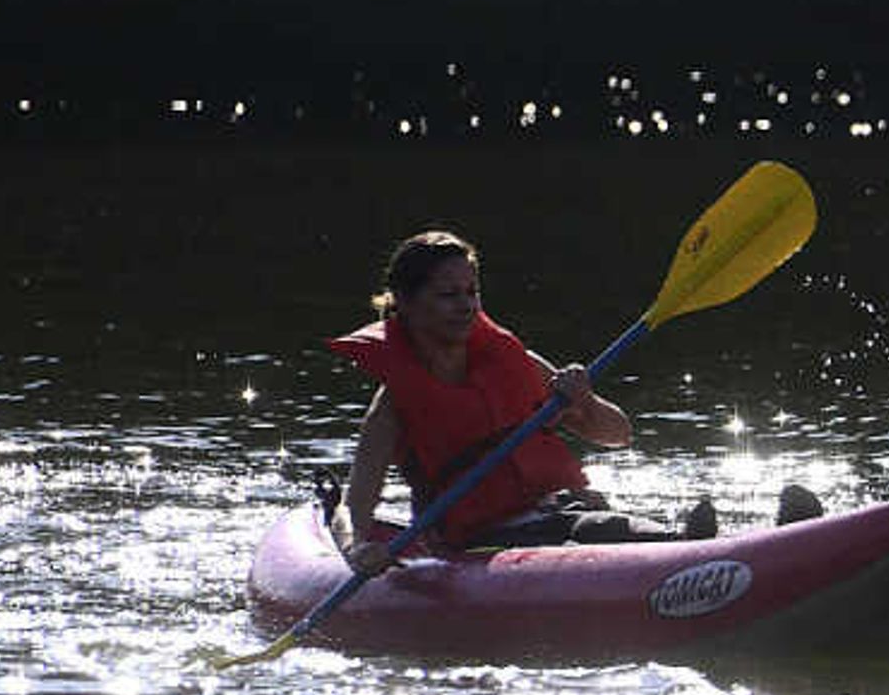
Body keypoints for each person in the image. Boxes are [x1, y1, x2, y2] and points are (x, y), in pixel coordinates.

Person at [328, 229, 812, 570]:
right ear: (407, 304)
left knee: (604, 524)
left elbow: (617, 434)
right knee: (601, 530)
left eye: (472, 292)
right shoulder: (393, 405)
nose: (466, 306)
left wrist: (583, 401)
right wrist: (356, 551)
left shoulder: (512, 361)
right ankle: (714, 555)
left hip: (562, 511)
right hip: (484, 544)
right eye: (447, 295)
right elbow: (354, 506)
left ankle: (753, 548)